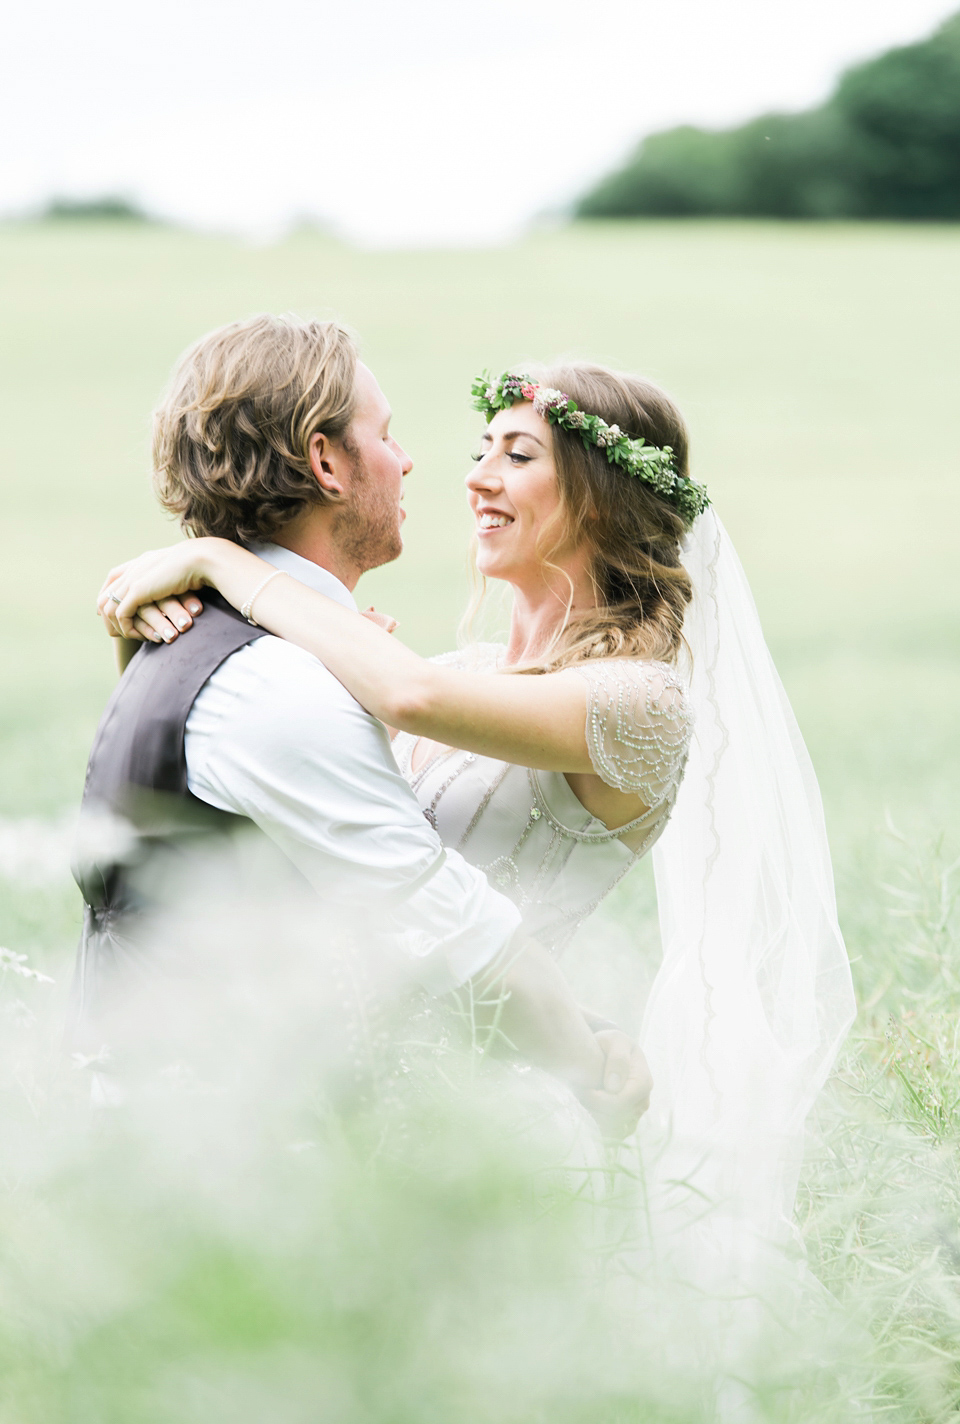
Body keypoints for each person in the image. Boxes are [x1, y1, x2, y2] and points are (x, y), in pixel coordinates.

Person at [102, 352, 857, 1306]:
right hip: (361, 1101)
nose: (475, 476)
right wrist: (163, 629)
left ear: (597, 496)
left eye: (517, 454)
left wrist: (218, 561)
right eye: (479, 449)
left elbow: (407, 698)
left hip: (502, 1104)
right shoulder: (463, 667)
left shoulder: (640, 704)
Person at [75, 316, 651, 1134]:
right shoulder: (275, 682)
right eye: (387, 435)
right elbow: (452, 932)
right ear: (325, 461)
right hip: (223, 1147)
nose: (411, 461)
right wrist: (593, 1067)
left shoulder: (207, 642)